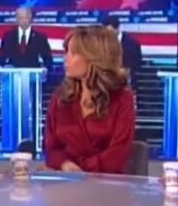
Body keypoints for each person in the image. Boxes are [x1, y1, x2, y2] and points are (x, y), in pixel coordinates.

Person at [42, 25, 136, 174]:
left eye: (73, 53)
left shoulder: (122, 99)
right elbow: (50, 147)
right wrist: (64, 164)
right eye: (66, 52)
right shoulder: (61, 97)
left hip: (106, 183)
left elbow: (117, 153)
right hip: (65, 182)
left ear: (94, 58)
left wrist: (82, 171)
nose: (65, 58)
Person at [102, 15, 143, 89]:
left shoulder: (130, 43)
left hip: (126, 83)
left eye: (110, 32)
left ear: (117, 28)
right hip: (107, 83)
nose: (107, 35)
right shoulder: (103, 42)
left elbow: (134, 65)